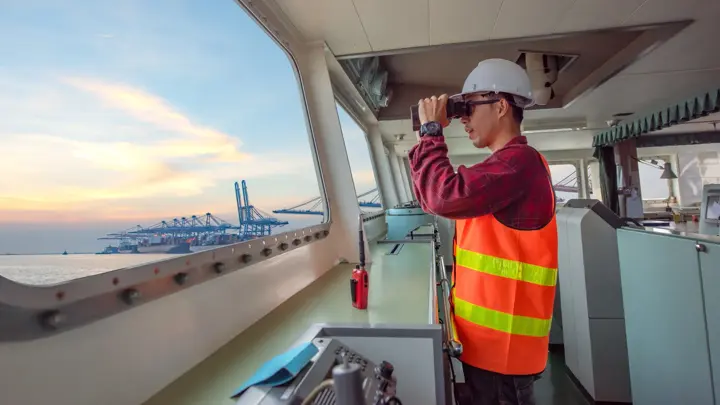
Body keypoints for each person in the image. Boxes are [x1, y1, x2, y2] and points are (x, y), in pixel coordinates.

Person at [408, 58, 558, 405]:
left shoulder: (519, 164)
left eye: (469, 107)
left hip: (503, 354)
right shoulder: (507, 166)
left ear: (502, 106)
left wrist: (432, 132)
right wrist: (425, 138)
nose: (462, 118)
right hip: (490, 350)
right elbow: (434, 200)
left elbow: (444, 196)